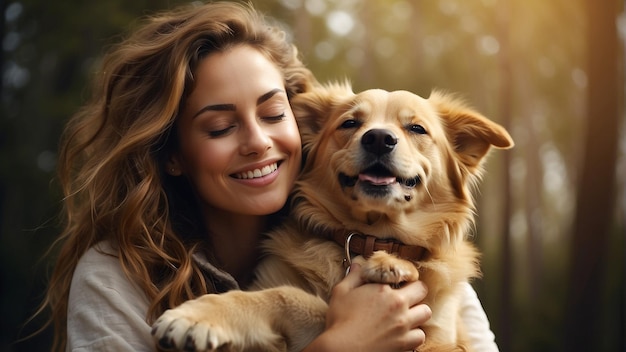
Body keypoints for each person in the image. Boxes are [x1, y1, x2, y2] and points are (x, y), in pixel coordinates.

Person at [37, 1, 498, 351]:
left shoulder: (432, 267)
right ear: (171, 152)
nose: (258, 142)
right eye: (219, 126)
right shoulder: (113, 276)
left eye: (275, 114)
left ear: (302, 128)